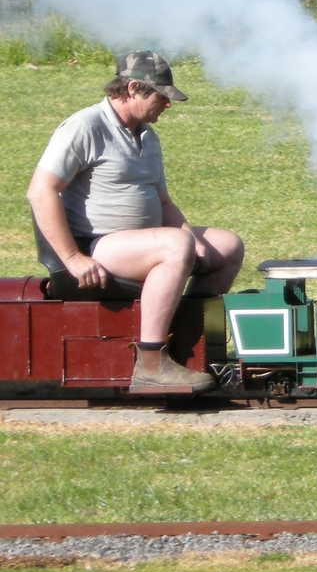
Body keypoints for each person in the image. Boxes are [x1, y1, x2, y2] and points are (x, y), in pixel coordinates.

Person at [27, 50, 244, 392]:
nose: (168, 105)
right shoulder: (84, 127)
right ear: (131, 89)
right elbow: (41, 192)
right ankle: (151, 364)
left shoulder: (146, 136)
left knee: (227, 246)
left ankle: (185, 348)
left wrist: (194, 240)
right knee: (175, 246)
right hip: (95, 247)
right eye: (161, 96)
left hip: (142, 243)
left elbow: (163, 202)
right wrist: (72, 259)